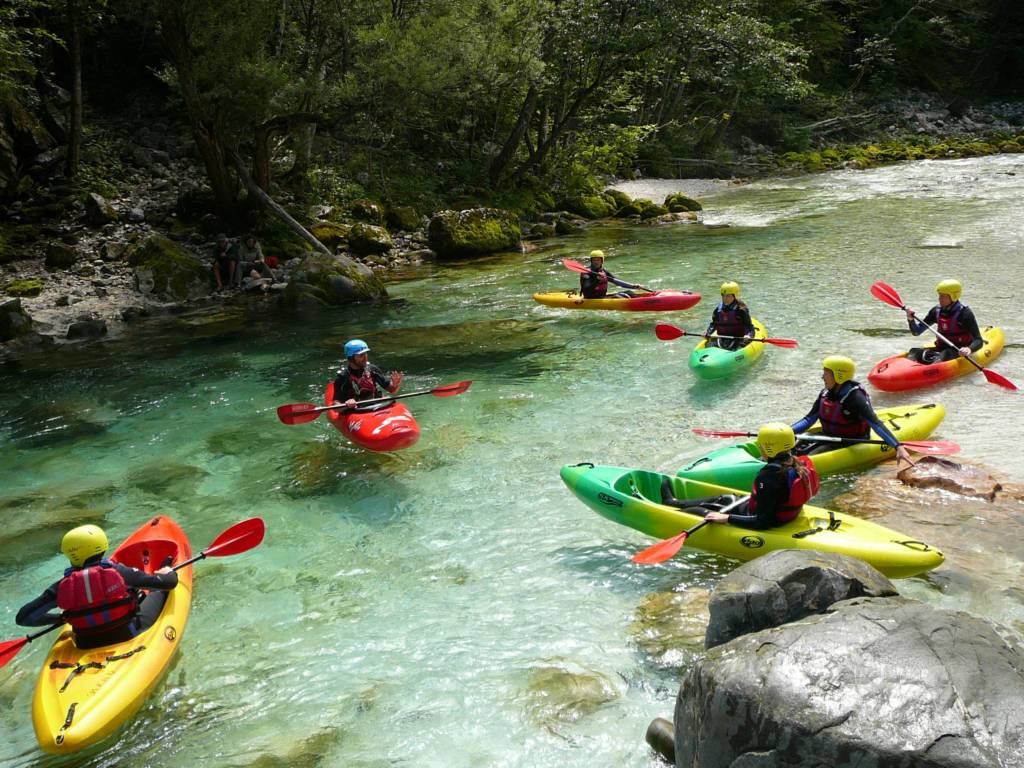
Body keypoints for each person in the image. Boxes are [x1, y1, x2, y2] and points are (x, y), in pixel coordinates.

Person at [16, 525, 178, 650]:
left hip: (84, 644)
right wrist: (167, 572)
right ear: (102, 547)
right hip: (127, 634)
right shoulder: (119, 572)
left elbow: (24, 618)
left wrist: (60, 619)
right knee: (159, 589)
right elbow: (168, 583)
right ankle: (165, 567)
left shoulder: (61, 587)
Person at [661, 423, 820, 530]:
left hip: (766, 521)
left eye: (761, 445)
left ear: (770, 448)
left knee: (696, 511)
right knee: (726, 499)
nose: (760, 448)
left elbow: (762, 522)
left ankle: (673, 512)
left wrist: (726, 518)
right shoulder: (798, 463)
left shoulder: (769, 476)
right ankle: (673, 502)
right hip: (785, 515)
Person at [790, 355, 915, 468]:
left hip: (850, 440)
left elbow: (875, 423)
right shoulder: (826, 393)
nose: (822, 377)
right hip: (829, 436)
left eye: (826, 373)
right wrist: (787, 432)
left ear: (838, 375)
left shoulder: (855, 397)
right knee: (797, 443)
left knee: (808, 456)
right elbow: (809, 420)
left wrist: (897, 446)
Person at [905, 279, 983, 364]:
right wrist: (911, 320)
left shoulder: (965, 313)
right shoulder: (936, 311)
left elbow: (978, 340)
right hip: (941, 349)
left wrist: (969, 349)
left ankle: (930, 371)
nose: (939, 299)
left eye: (943, 296)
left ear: (953, 296)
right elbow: (916, 332)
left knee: (947, 353)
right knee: (914, 351)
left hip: (958, 351)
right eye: (939, 295)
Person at [332, 339, 403, 409]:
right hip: (356, 410)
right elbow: (336, 406)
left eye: (366, 354)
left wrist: (395, 385)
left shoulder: (372, 369)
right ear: (351, 358)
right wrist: (346, 404)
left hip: (376, 405)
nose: (365, 358)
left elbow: (392, 390)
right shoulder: (343, 377)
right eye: (361, 355)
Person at [704, 281, 755, 350]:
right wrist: (708, 332)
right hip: (722, 339)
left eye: (728, 296)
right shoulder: (718, 310)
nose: (725, 298)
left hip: (738, 339)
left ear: (735, 296)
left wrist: (749, 336)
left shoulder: (741, 310)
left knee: (741, 345)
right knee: (708, 344)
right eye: (723, 295)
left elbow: (749, 328)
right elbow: (714, 324)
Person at [579, 250, 647, 299]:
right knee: (620, 297)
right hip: (591, 299)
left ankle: (643, 300)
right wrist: (597, 280)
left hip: (602, 297)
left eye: (598, 260)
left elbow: (616, 281)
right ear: (591, 261)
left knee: (629, 292)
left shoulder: (603, 271)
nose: (596, 262)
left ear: (602, 261)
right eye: (594, 260)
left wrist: (633, 286)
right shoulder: (586, 272)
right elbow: (586, 289)